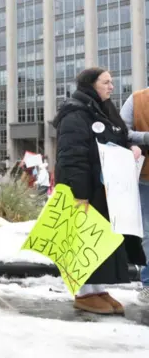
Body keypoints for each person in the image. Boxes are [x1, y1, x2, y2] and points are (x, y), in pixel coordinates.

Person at [53, 67, 145, 315]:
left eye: (111, 82)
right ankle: (84, 293)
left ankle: (97, 289)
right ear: (92, 84)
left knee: (101, 241)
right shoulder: (75, 112)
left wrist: (131, 150)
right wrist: (79, 193)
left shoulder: (104, 109)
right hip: (86, 189)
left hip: (106, 189)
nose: (111, 86)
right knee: (85, 240)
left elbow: (119, 138)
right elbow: (72, 156)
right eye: (106, 82)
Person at [119, 86, 149, 303]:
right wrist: (146, 137)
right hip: (145, 177)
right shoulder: (137, 99)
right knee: (148, 232)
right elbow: (121, 132)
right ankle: (148, 283)